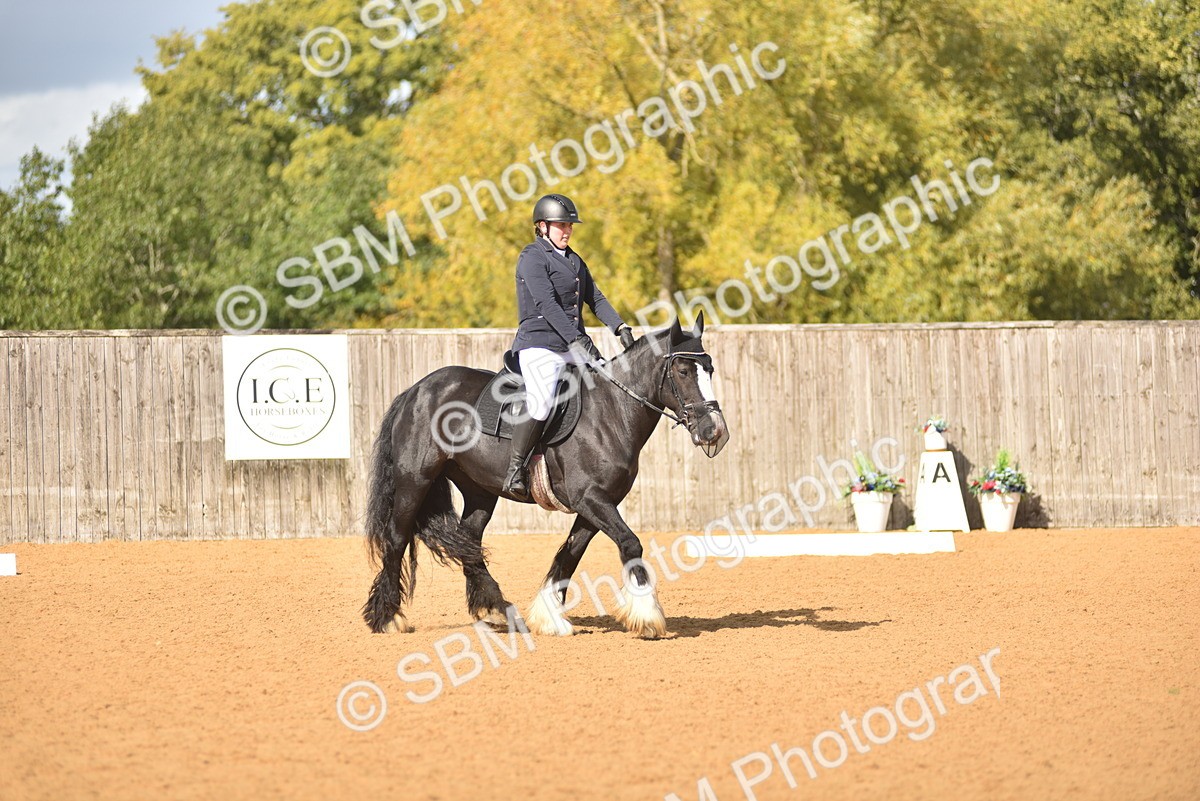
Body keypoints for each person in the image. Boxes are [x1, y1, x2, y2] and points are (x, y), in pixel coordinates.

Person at [502, 194, 637, 500]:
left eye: (569, 226)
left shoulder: (574, 260)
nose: (566, 231)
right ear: (542, 227)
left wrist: (620, 326)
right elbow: (547, 305)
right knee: (543, 398)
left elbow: (596, 298)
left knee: (603, 387)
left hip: (571, 344)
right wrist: (577, 340)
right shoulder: (532, 257)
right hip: (539, 343)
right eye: (560, 225)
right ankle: (514, 469)